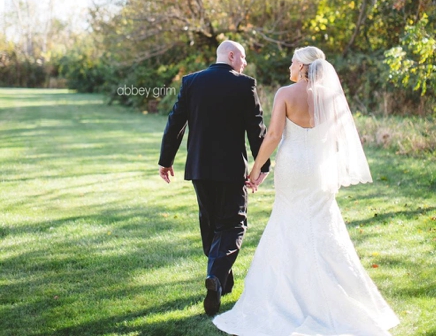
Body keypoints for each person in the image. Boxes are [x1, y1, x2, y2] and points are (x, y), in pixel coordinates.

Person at [213, 46, 399, 336]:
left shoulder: (285, 94)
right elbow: (338, 137)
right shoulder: (331, 96)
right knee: (323, 224)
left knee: (287, 220)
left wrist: (255, 170)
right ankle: (337, 293)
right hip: (319, 169)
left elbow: (273, 135)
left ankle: (291, 295)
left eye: (293, 61)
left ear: (302, 67)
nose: (289, 65)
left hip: (293, 167)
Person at [158, 40, 270, 316]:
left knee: (211, 223)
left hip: (199, 167)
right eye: (242, 58)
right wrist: (262, 166)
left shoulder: (192, 82)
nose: (244, 64)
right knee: (234, 224)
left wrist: (166, 160)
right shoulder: (244, 85)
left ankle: (220, 282)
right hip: (231, 169)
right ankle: (217, 278)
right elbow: (256, 128)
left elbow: (175, 122)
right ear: (231, 55)